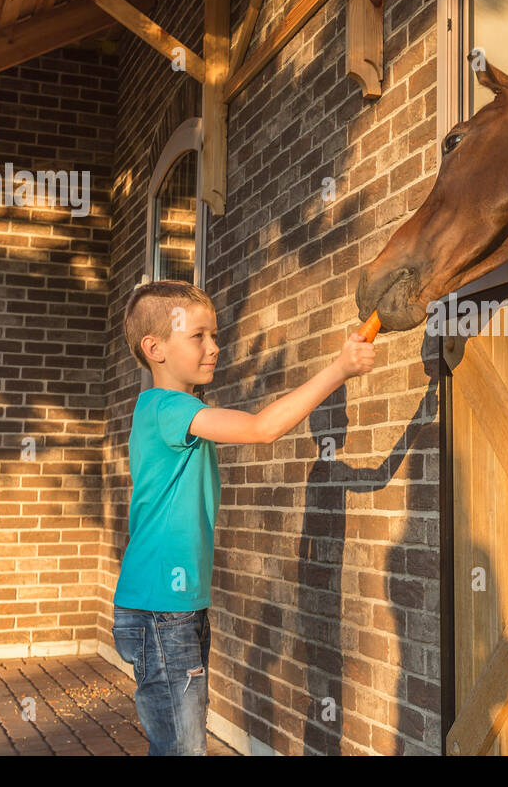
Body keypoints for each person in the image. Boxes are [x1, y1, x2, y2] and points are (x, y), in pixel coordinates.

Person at [110, 279, 375, 755]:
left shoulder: (172, 409)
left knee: (178, 747)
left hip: (174, 606)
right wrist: (339, 369)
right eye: (198, 336)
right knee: (183, 749)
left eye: (214, 334)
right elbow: (262, 428)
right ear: (155, 349)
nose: (214, 346)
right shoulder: (166, 407)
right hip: (160, 610)